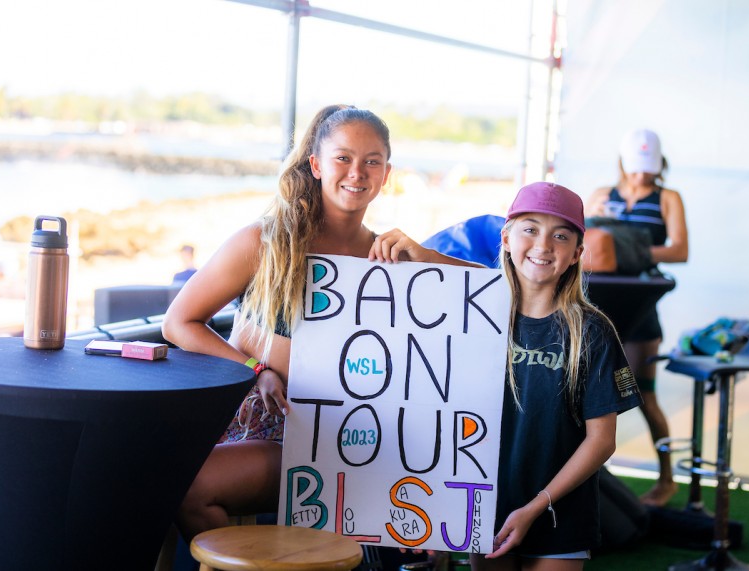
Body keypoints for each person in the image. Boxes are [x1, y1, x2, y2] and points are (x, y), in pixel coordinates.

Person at [161, 104, 479, 542]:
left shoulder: (387, 259)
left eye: (372, 161)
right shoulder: (264, 243)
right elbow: (179, 322)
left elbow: (495, 299)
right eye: (343, 158)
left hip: (354, 440)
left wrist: (426, 257)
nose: (357, 172)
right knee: (191, 490)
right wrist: (256, 372)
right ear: (315, 164)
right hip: (268, 424)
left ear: (387, 175)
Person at [472, 182, 643, 570]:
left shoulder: (593, 332)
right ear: (506, 238)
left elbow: (602, 442)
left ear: (577, 254)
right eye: (530, 228)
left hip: (559, 513)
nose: (543, 245)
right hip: (485, 506)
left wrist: (537, 505)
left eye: (560, 235)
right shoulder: (476, 319)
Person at [584, 129, 689, 507]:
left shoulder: (667, 198)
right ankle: (585, 477)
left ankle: (666, 478)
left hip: (639, 307)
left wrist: (628, 248)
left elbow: (680, 250)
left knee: (645, 394)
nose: (642, 176)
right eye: (635, 168)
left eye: (649, 168)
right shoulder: (601, 196)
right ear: (623, 163)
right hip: (600, 306)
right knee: (587, 393)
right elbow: (582, 244)